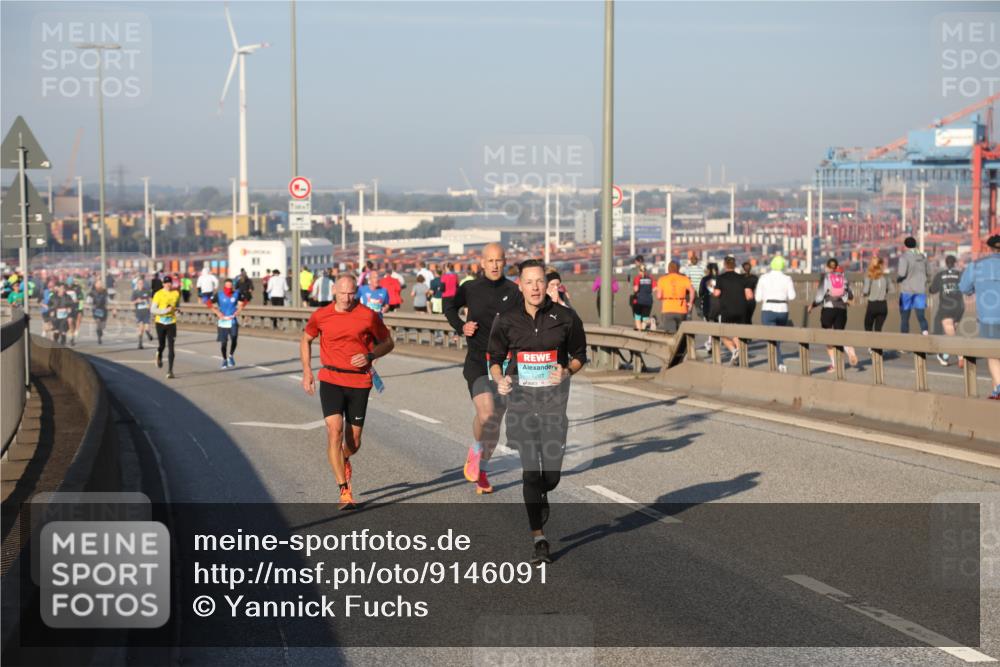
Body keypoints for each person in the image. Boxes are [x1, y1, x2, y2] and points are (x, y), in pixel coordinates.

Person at [489, 259, 587, 565]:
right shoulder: (506, 320)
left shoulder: (566, 318)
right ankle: (539, 538)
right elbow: (494, 357)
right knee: (531, 473)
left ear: (547, 284)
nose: (534, 287)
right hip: (521, 405)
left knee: (551, 477)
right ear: (520, 285)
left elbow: (580, 355)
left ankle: (542, 492)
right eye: (528, 282)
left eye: (539, 282)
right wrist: (500, 378)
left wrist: (567, 372)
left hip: (554, 407)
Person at [300, 275, 395, 509]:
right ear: (334, 291)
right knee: (335, 430)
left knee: (354, 442)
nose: (346, 298)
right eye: (342, 293)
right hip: (331, 378)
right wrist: (307, 372)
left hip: (359, 382)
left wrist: (370, 355)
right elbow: (306, 339)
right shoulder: (321, 315)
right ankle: (344, 491)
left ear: (357, 292)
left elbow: (389, 342)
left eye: (351, 293)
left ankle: (344, 457)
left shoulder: (367, 315)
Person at [445, 243, 522, 496]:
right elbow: (449, 307)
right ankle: (477, 450)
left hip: (505, 364)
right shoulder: (470, 288)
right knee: (487, 414)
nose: (495, 265)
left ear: (505, 262)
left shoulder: (515, 291)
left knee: (494, 422)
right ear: (482, 263)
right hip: (478, 361)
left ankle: (483, 471)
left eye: (499, 260)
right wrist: (461, 327)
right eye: (490, 261)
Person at [959, 234, 1000, 399]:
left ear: (989, 248)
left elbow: (964, 287)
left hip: (988, 318)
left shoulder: (977, 266)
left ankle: (998, 390)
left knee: (994, 356)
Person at [809, 257, 859, 372]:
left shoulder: (825, 277)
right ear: (837, 267)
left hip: (829, 309)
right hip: (841, 309)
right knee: (839, 334)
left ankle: (834, 364)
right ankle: (848, 348)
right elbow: (850, 296)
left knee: (828, 336)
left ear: (827, 266)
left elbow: (819, 297)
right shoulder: (844, 278)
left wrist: (813, 305)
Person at [754, 256, 796, 373]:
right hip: (783, 310)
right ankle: (778, 361)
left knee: (771, 338)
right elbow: (792, 296)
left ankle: (779, 362)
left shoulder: (763, 278)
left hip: (768, 310)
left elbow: (757, 298)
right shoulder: (787, 278)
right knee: (777, 338)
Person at [712, 257, 754, 364]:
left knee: (722, 333)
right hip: (741, 310)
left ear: (725, 265)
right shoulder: (743, 278)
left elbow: (716, 293)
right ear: (734, 265)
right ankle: (739, 352)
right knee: (737, 333)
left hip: (727, 310)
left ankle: (734, 350)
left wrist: (713, 291)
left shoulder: (721, 278)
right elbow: (749, 296)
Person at [929, 255, 965, 367]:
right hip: (959, 307)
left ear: (945, 263)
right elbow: (966, 287)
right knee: (951, 332)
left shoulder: (940, 275)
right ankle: (944, 356)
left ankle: (960, 355)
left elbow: (932, 290)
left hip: (946, 307)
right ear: (954, 263)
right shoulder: (960, 274)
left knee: (950, 333)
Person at [897, 236, 929, 335]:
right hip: (920, 290)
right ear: (915, 245)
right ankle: (925, 334)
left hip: (907, 291)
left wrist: (898, 279)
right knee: (921, 315)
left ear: (905, 246)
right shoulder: (922, 257)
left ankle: (905, 340)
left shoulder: (904, 257)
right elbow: (929, 272)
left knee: (905, 316)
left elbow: (902, 274)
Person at [210, 278, 245, 369]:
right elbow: (210, 304)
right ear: (224, 285)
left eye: (230, 285)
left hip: (232, 320)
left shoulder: (236, 294)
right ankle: (224, 359)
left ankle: (231, 355)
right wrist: (217, 313)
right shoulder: (219, 294)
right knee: (224, 343)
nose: (229, 287)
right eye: (227, 285)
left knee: (234, 338)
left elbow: (241, 304)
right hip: (223, 321)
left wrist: (239, 310)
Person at [151, 275, 181, 379]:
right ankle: (159, 354)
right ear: (163, 284)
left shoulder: (176, 293)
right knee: (162, 345)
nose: (168, 284)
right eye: (166, 282)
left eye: (170, 282)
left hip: (171, 323)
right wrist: (164, 311)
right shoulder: (158, 294)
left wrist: (177, 311)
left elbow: (177, 306)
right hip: (160, 323)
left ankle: (170, 371)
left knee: (171, 347)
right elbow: (153, 310)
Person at [655, 261, 695, 335]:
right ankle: (682, 346)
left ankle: (673, 345)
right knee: (681, 333)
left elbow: (659, 296)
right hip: (681, 309)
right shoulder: (684, 279)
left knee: (671, 334)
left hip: (667, 309)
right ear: (678, 269)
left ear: (668, 269)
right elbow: (692, 291)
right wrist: (691, 303)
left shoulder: (662, 279)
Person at [862, 256, 890, 333]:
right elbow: (891, 289)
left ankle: (870, 344)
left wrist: (864, 294)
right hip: (883, 305)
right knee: (878, 329)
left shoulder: (869, 276)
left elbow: (865, 291)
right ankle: (877, 344)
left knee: (867, 326)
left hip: (872, 304)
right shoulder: (886, 277)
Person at [681, 252, 706, 319]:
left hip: (690, 292)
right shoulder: (701, 270)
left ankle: (688, 318)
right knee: (698, 307)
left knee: (689, 306)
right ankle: (702, 319)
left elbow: (687, 280)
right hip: (698, 291)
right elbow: (704, 279)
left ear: (691, 261)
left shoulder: (688, 269)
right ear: (697, 261)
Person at [631, 264, 655, 331]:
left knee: (637, 316)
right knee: (645, 318)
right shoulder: (650, 278)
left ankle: (639, 332)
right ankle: (648, 324)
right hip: (648, 300)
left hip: (639, 300)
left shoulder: (637, 278)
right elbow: (655, 288)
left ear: (639, 271)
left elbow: (636, 289)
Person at [132, 277, 154, 349]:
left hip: (146, 311)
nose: (141, 285)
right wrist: (137, 301)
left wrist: (150, 305)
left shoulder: (147, 291)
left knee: (147, 328)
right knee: (141, 328)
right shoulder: (135, 292)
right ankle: (140, 344)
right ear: (137, 284)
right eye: (139, 283)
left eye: (142, 283)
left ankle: (148, 334)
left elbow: (151, 299)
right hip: (139, 312)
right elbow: (132, 302)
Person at [91, 280, 110, 345]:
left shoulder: (105, 292)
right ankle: (99, 337)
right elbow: (89, 300)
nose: (99, 285)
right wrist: (92, 304)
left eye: (100, 284)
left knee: (103, 325)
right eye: (98, 284)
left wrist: (110, 307)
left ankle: (100, 332)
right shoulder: (92, 292)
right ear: (95, 285)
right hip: (96, 309)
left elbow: (108, 300)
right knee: (98, 322)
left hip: (103, 309)